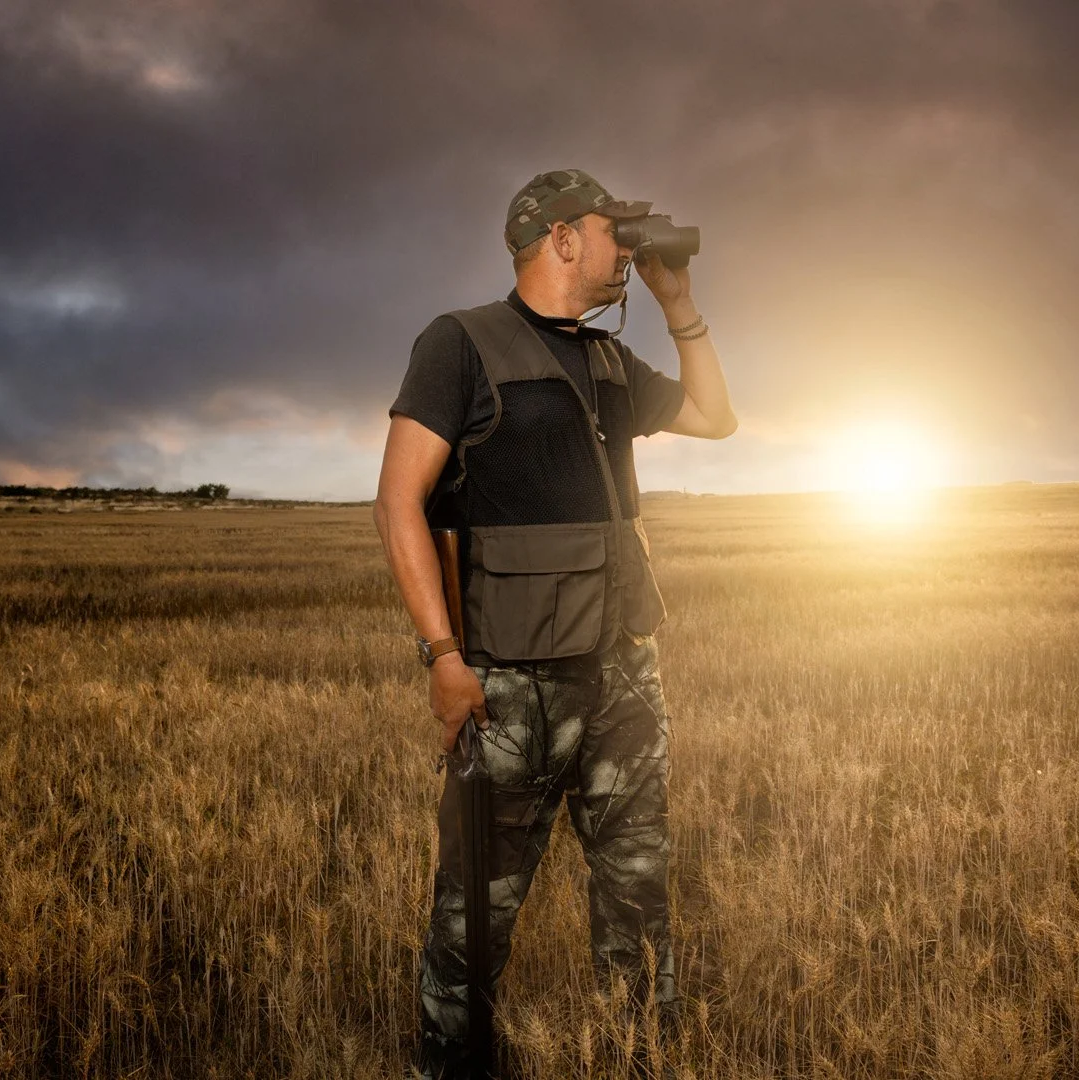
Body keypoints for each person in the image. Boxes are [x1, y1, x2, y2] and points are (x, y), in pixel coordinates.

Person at [372, 168, 736, 1078]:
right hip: (508, 684)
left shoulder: (609, 360)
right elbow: (397, 503)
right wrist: (443, 655)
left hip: (622, 677)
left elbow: (714, 417)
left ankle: (637, 1061)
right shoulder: (461, 344)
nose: (629, 249)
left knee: (639, 899)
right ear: (561, 238)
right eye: (616, 232)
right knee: (474, 918)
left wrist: (680, 305)